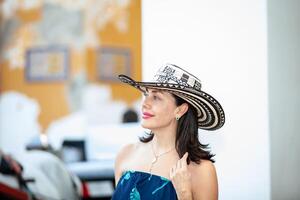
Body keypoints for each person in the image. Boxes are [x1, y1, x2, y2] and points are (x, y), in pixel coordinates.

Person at [112, 63, 225, 200]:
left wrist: (184, 194)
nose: (144, 103)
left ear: (180, 110)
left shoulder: (202, 171)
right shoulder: (125, 154)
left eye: (156, 97)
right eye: (146, 94)